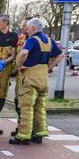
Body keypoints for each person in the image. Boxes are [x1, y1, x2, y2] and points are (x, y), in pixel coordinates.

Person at [11, 17, 64, 145]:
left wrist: (20, 65)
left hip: (30, 77)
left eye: (28, 28)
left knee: (26, 107)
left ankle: (23, 136)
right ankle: (39, 134)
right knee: (40, 107)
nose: (27, 30)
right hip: (43, 77)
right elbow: (61, 55)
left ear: (33, 28)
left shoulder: (32, 40)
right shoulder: (49, 41)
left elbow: (24, 53)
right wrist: (49, 67)